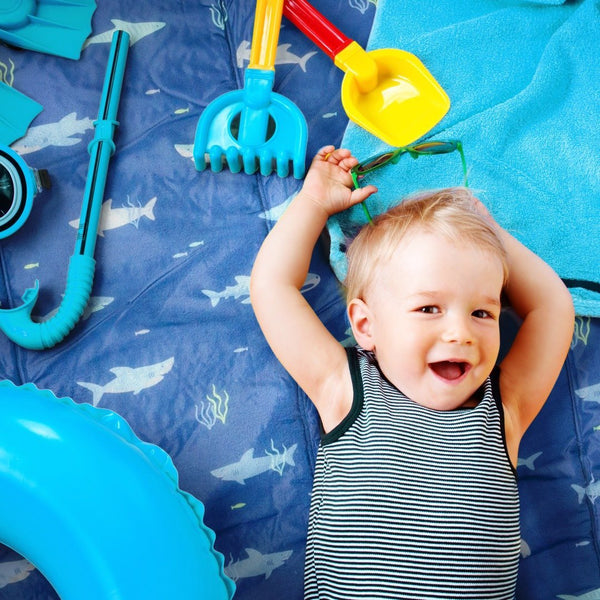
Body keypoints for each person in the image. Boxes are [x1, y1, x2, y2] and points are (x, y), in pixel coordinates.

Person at [250, 146, 574, 599]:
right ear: (366, 325)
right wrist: (313, 203)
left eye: (482, 313)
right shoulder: (347, 389)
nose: (461, 332)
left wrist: (492, 235)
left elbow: (552, 307)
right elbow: (273, 287)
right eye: (428, 308)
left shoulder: (505, 408)